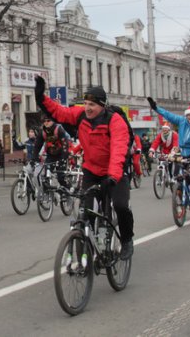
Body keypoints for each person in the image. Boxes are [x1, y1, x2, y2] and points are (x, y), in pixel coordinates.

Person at [36, 77, 134, 259]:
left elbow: (119, 150)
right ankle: (86, 252)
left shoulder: (115, 121)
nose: (88, 108)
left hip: (115, 172)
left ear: (102, 106)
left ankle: (127, 240)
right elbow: (59, 112)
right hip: (91, 170)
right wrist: (40, 96)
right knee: (85, 211)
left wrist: (112, 177)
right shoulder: (81, 115)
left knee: (120, 206)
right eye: (86, 103)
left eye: (92, 105)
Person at [147, 98, 190, 197]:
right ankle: (180, 189)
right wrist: (155, 108)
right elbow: (168, 115)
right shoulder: (182, 121)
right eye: (189, 115)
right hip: (182, 151)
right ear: (186, 115)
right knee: (179, 172)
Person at [32, 115, 70, 189]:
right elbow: (37, 146)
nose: (46, 123)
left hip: (61, 155)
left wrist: (64, 158)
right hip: (50, 156)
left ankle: (67, 191)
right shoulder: (42, 132)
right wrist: (34, 157)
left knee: (61, 178)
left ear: (53, 121)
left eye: (48, 121)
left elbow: (65, 144)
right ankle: (49, 196)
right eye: (44, 121)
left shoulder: (59, 129)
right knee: (46, 176)